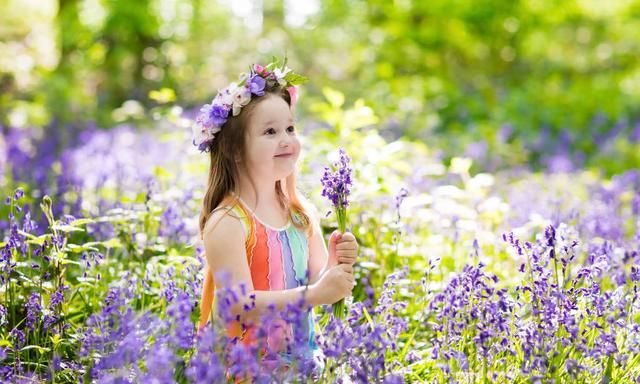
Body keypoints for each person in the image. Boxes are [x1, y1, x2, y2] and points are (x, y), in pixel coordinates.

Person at [193, 59, 359, 377]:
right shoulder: (228, 222)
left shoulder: (299, 215)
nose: (286, 139)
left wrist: (335, 264)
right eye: (270, 131)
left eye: (290, 128)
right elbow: (238, 305)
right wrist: (315, 294)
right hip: (244, 371)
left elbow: (318, 282)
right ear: (235, 150)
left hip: (300, 363)